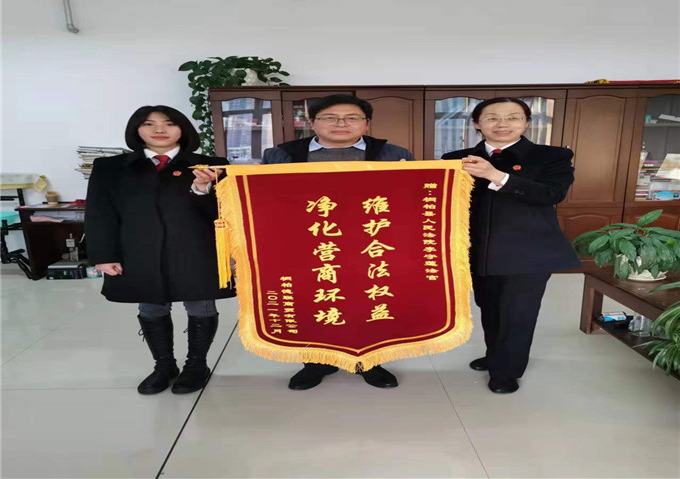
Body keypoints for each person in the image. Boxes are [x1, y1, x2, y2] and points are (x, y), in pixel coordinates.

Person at [263, 94, 414, 390]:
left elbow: (410, 200)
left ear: (366, 124)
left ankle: (369, 361)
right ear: (312, 123)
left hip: (370, 243)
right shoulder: (281, 155)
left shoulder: (393, 154)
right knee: (314, 300)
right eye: (330, 117)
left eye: (352, 118)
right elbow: (264, 198)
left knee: (368, 300)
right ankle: (316, 362)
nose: (341, 123)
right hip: (307, 244)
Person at [85, 105, 236, 395]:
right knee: (151, 306)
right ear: (136, 129)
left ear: (182, 128)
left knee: (201, 305)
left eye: (168, 123)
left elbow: (225, 212)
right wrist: (103, 255)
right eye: (148, 124)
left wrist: (202, 189)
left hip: (197, 248)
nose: (159, 129)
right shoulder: (110, 167)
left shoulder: (211, 164)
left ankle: (196, 365)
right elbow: (99, 213)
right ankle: (164, 366)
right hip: (137, 249)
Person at [441, 97, 580, 394]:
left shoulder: (552, 156)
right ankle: (496, 355)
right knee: (490, 308)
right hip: (475, 250)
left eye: (513, 117)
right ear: (477, 123)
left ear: (526, 123)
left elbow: (551, 194)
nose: (502, 124)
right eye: (492, 117)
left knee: (517, 313)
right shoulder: (456, 158)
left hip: (528, 251)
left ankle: (507, 371)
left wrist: (495, 175)